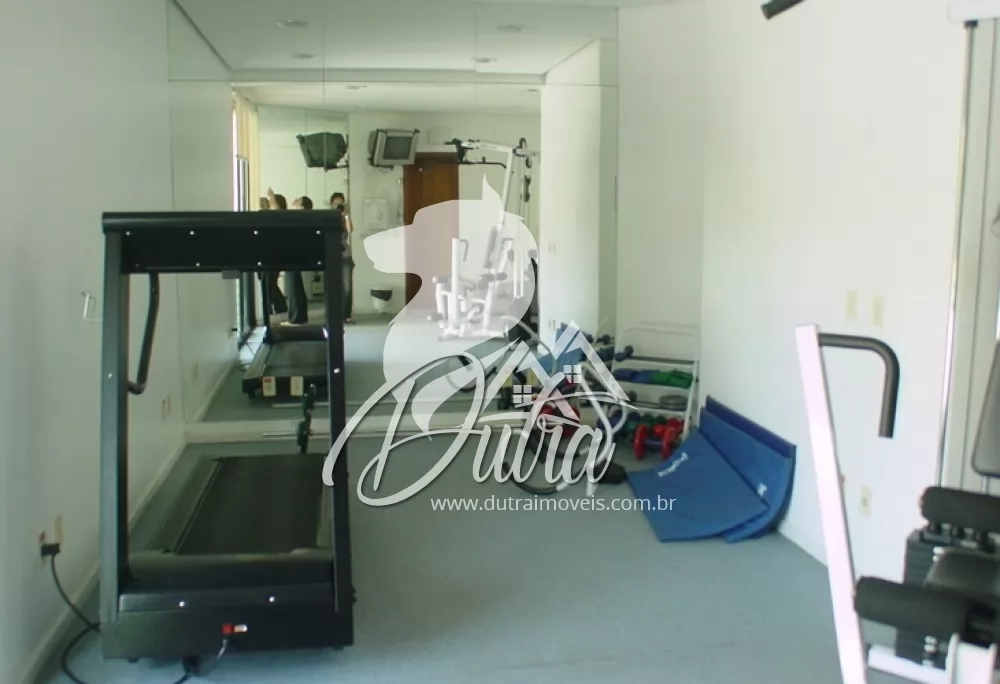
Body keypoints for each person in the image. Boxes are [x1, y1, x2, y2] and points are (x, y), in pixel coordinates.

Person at [282, 195, 312, 325]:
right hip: (299, 255)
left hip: (294, 255)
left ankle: (295, 318)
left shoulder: (300, 218)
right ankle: (300, 317)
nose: (294, 203)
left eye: (297, 202)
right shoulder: (307, 218)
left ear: (302, 206)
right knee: (297, 287)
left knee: (292, 287)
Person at [261, 189, 287, 316]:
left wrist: (271, 197)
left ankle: (279, 307)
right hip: (273, 255)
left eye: (272, 202)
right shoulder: (277, 217)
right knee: (270, 283)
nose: (270, 204)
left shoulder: (279, 217)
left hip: (274, 255)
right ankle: (278, 307)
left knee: (269, 283)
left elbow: (273, 212)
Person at [330, 192, 355, 324]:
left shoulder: (344, 217)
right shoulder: (328, 217)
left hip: (345, 256)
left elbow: (350, 230)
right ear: (331, 204)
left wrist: (347, 215)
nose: (338, 206)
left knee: (347, 287)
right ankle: (334, 315)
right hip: (331, 255)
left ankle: (346, 315)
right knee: (333, 287)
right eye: (336, 204)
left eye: (341, 203)